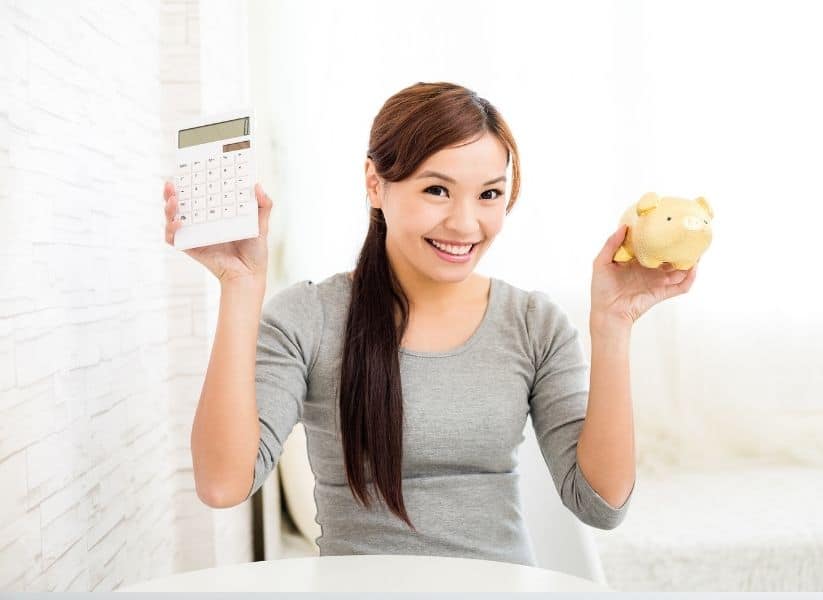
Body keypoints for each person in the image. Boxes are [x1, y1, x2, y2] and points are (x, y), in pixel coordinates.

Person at [161, 81, 699, 566]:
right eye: (437, 190)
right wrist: (240, 284)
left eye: (489, 194)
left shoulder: (535, 324)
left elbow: (600, 505)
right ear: (375, 183)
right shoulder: (307, 318)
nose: (466, 224)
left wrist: (613, 322)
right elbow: (222, 482)